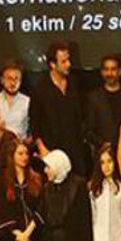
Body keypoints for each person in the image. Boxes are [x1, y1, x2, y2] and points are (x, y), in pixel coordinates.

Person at [30, 42, 87, 176]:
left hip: (76, 151)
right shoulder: (40, 90)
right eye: (64, 61)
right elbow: (34, 123)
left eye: (68, 60)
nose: (69, 64)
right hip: (53, 154)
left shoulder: (75, 83)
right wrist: (42, 149)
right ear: (52, 64)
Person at [85, 54, 121, 150]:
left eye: (113, 69)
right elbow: (88, 129)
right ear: (102, 72)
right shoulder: (93, 98)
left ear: (120, 71)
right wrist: (102, 144)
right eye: (106, 69)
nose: (109, 73)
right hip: (103, 153)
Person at [0, 60, 30, 141]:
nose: (13, 83)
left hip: (20, 144)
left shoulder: (27, 102)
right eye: (9, 78)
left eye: (16, 79)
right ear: (2, 80)